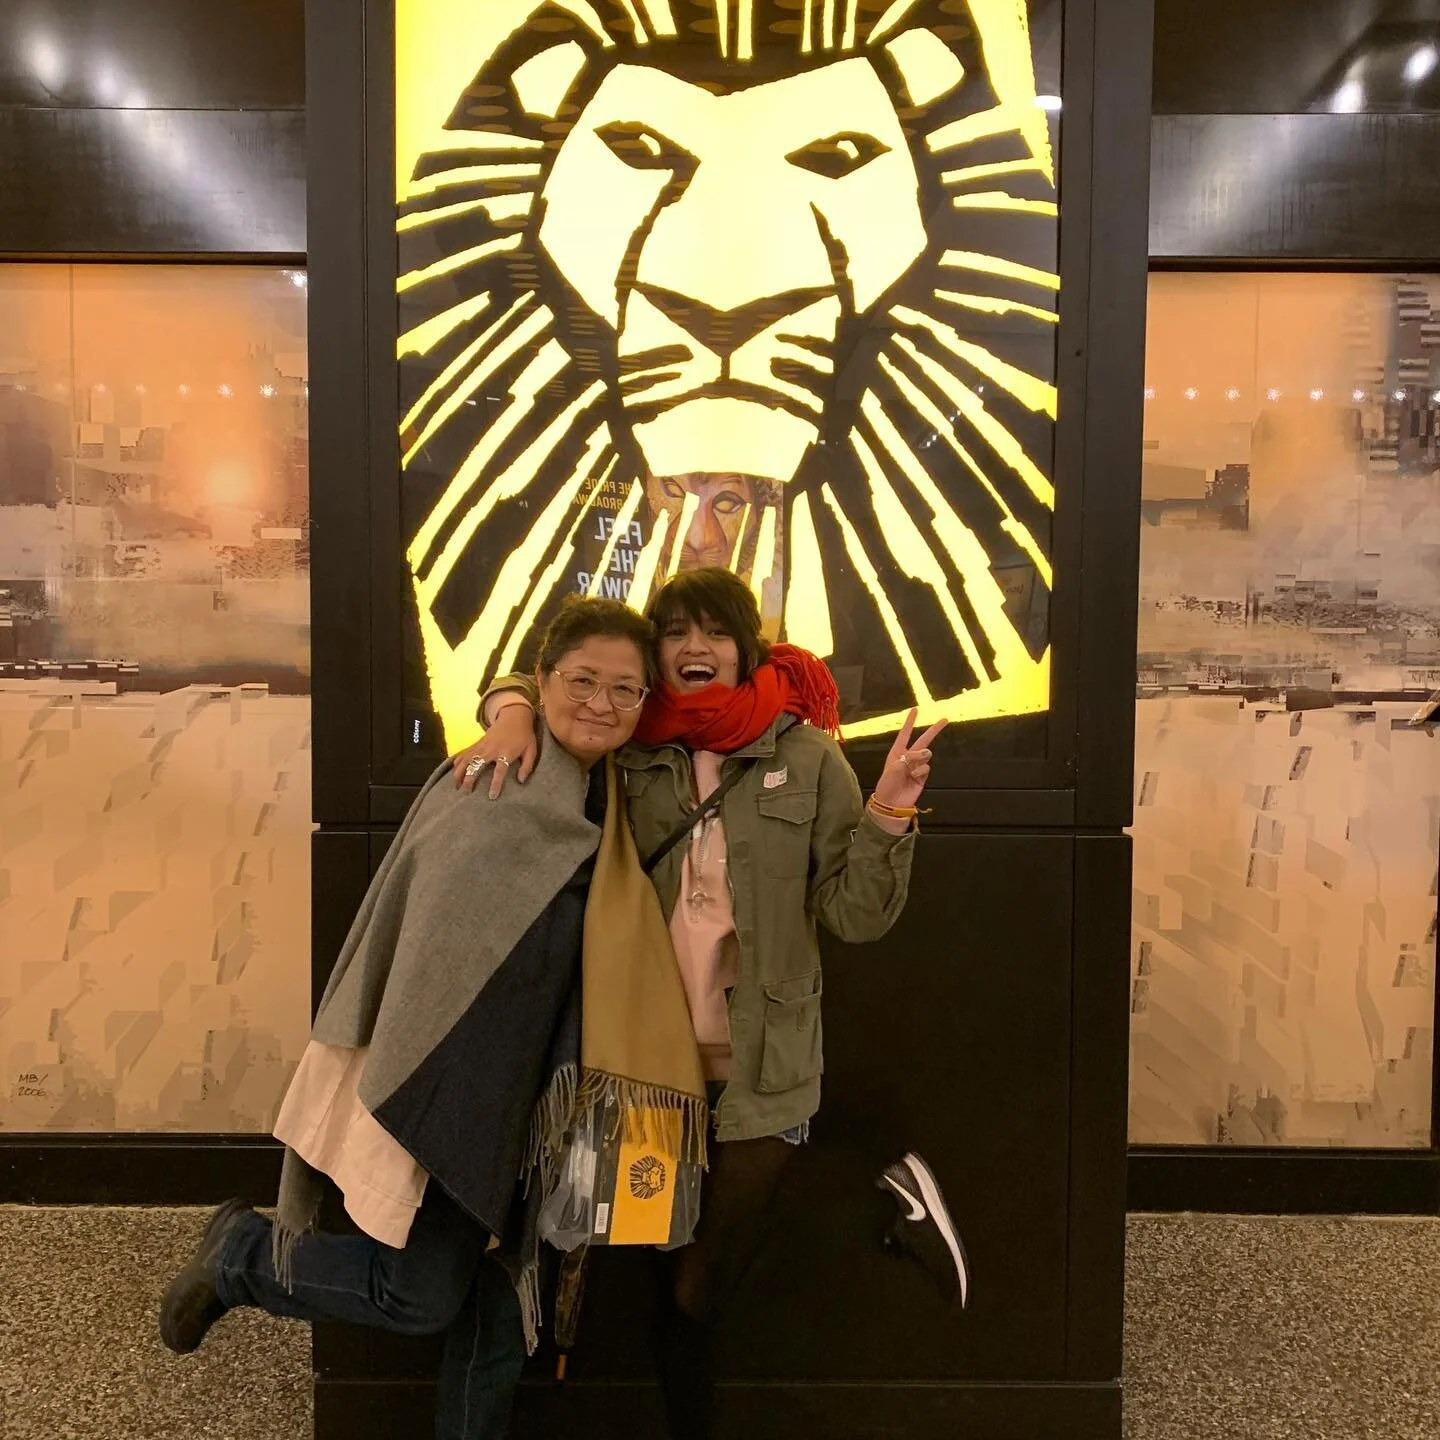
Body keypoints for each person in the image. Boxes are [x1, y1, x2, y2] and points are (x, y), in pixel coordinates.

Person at [158, 597, 708, 1440]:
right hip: (460, 1087)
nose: (601, 704)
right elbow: (429, 960)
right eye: (581, 682)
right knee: (419, 1295)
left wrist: (516, 699)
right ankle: (239, 1255)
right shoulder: (495, 783)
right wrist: (512, 706)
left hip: (539, 1098)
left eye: (624, 690)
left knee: (497, 1315)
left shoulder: (611, 794)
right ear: (547, 677)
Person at [452, 568, 942, 1440]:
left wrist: (891, 810)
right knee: (640, 1261)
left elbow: (854, 916)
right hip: (647, 1067)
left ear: (745, 646)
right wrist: (511, 708)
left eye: (714, 632)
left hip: (766, 1071)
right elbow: (556, 683)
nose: (693, 649)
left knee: (702, 1282)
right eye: (674, 632)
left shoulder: (806, 755)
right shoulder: (629, 744)